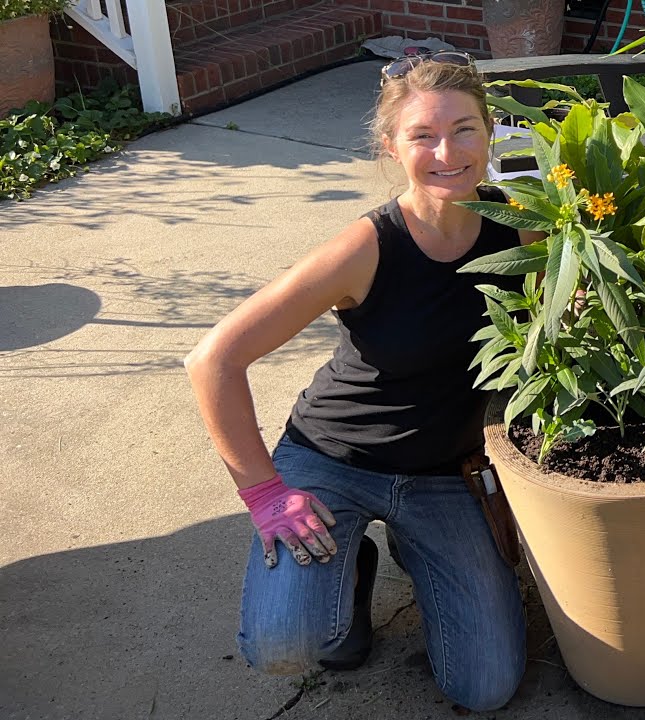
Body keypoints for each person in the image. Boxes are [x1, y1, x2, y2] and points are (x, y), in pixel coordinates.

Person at [185, 53, 536, 712]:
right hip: (333, 462)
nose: (446, 150)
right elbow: (214, 360)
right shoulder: (365, 247)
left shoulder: (523, 227)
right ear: (391, 147)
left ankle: (411, 547)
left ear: (491, 133)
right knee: (284, 643)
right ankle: (349, 579)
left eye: (464, 129)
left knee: (485, 688)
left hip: (444, 475)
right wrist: (265, 494)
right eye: (422, 135)